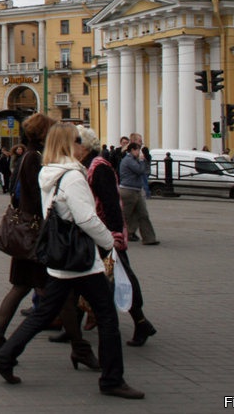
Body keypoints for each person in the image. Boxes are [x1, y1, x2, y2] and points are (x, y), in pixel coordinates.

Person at [0, 123, 144, 399]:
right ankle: (111, 379)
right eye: (77, 139)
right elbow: (85, 217)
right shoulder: (72, 176)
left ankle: (4, 356)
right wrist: (110, 243)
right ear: (68, 144)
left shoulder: (48, 172)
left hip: (60, 255)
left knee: (43, 313)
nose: (81, 144)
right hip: (80, 256)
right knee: (107, 316)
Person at [0, 114, 66, 360]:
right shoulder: (34, 159)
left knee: (34, 289)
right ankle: (1, 345)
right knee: (56, 290)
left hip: (30, 234)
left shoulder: (25, 157)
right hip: (35, 235)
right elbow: (38, 197)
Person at [75, 125, 157, 348]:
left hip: (106, 235)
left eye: (75, 144)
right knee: (90, 279)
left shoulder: (99, 167)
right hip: (97, 233)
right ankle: (73, 329)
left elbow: (111, 203)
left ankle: (140, 322)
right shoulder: (86, 165)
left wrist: (114, 237)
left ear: (84, 146)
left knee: (120, 279)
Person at [118, 139, 159, 245]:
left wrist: (142, 161)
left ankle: (149, 238)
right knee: (125, 216)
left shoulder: (133, 159)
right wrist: (141, 161)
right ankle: (116, 235)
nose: (139, 153)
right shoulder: (129, 160)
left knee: (143, 214)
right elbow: (140, 171)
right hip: (128, 190)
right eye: (138, 150)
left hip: (136, 190)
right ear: (132, 150)